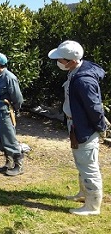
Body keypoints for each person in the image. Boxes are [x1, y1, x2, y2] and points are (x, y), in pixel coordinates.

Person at [48, 40, 107, 215]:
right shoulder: (77, 71)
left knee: (88, 165)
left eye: (61, 59)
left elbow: (94, 108)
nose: (58, 62)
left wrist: (100, 127)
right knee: (82, 162)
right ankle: (84, 194)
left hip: (84, 128)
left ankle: (92, 205)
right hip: (76, 124)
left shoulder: (83, 81)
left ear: (72, 61)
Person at [0, 52, 24, 176]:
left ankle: (18, 165)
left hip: (5, 112)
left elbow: (17, 97)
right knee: (0, 139)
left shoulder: (9, 77)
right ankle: (8, 163)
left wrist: (15, 109)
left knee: (9, 137)